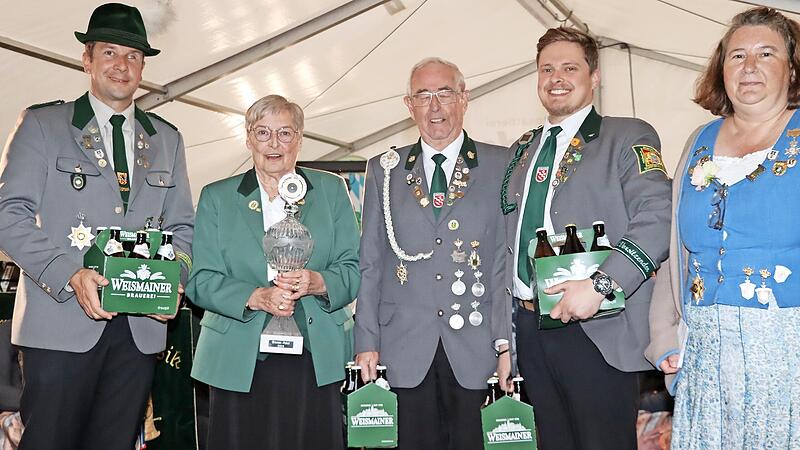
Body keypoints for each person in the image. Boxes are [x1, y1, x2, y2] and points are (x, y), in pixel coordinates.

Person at [0, 3, 194, 449]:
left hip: (139, 331)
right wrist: (69, 274)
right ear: (86, 59)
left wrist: (174, 281)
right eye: (109, 53)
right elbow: (8, 214)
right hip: (60, 323)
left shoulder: (168, 139)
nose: (121, 66)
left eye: (132, 56)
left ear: (144, 66)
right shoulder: (44, 125)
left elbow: (184, 226)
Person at [502, 27, 671, 449]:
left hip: (597, 326)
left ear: (594, 77)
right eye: (547, 69)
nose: (556, 77)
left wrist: (601, 285)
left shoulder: (627, 135)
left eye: (570, 67)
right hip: (529, 326)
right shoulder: (521, 150)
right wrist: (503, 339)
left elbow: (658, 217)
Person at [647, 7, 800, 449]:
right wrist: (663, 339)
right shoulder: (699, 140)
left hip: (788, 354)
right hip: (706, 358)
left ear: (791, 69)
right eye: (737, 56)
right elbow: (678, 252)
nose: (749, 66)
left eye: (766, 53)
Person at [354, 57, 512, 450]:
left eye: (444, 93)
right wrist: (365, 341)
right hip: (402, 346)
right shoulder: (384, 169)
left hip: (478, 345)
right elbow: (371, 261)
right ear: (409, 106)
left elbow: (504, 262)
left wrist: (506, 343)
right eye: (423, 95)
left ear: (464, 98)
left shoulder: (502, 163)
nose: (435, 106)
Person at [188, 94, 360, 450]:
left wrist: (319, 282)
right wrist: (256, 297)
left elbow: (355, 268)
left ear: (299, 138)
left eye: (285, 133)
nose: (274, 144)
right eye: (263, 133)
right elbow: (200, 280)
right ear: (248, 138)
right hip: (238, 353)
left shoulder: (330, 191)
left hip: (315, 353)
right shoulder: (217, 197)